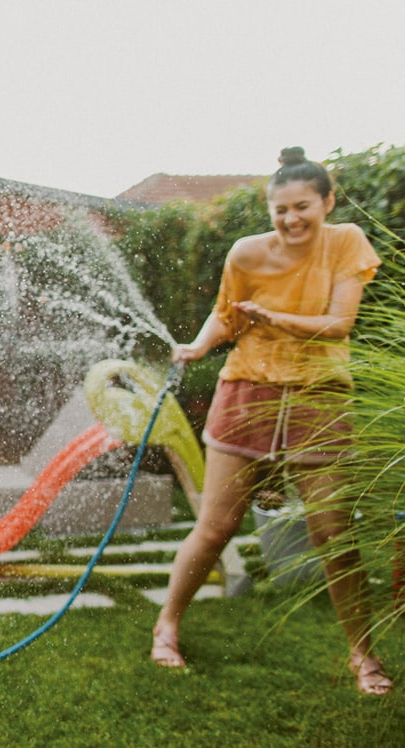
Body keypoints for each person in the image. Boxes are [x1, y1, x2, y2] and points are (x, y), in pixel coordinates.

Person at [152, 147, 393, 695]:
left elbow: (338, 325)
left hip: (319, 396)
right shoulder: (245, 254)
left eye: (303, 206)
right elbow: (227, 314)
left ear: (327, 202)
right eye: (280, 210)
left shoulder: (347, 243)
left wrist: (273, 317)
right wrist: (197, 346)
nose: (291, 219)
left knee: (333, 533)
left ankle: (362, 653)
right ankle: (167, 625)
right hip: (247, 389)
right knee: (216, 527)